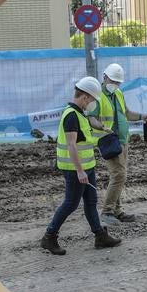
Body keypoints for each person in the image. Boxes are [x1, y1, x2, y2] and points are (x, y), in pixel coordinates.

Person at [40, 77, 123, 255]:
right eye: (92, 100)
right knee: (71, 203)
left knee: (91, 201)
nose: (93, 104)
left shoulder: (80, 113)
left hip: (87, 166)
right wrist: (79, 171)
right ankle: (49, 236)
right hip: (74, 169)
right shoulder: (71, 115)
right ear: (85, 97)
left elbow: (84, 139)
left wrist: (103, 131)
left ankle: (100, 235)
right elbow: (71, 145)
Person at [95, 62, 147, 222]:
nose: (115, 84)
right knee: (119, 175)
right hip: (108, 141)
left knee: (119, 176)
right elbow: (91, 118)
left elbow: (126, 113)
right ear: (105, 77)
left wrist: (142, 116)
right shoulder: (97, 96)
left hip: (122, 140)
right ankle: (107, 212)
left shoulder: (119, 93)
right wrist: (102, 127)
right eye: (113, 81)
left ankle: (117, 211)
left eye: (118, 82)